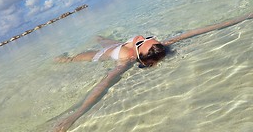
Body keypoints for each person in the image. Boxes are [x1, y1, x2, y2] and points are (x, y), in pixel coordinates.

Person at [52, 11, 253, 132]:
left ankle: (71, 49)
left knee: (83, 48)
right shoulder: (139, 54)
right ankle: (79, 47)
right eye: (149, 38)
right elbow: (104, 84)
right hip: (110, 49)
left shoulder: (135, 54)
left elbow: (104, 84)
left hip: (110, 50)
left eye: (146, 40)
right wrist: (242, 17)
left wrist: (74, 116)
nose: (145, 37)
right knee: (85, 48)